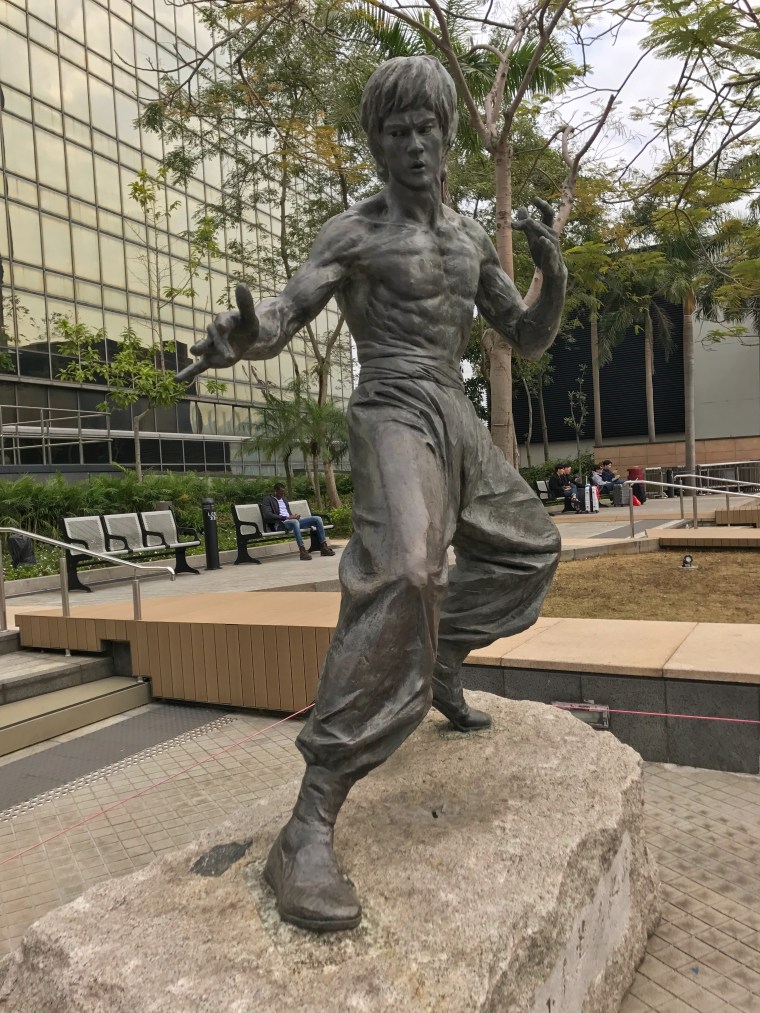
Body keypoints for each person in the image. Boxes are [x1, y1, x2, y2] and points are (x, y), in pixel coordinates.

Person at [176, 56, 566, 932]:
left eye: (428, 128)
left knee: (531, 551)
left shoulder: (468, 240)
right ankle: (307, 823)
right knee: (404, 572)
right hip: (391, 402)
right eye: (397, 132)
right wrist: (246, 334)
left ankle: (436, 662)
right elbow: (285, 310)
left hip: (454, 410)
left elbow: (529, 336)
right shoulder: (351, 232)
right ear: (377, 144)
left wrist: (553, 269)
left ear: (448, 134)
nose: (416, 144)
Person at [260, 484, 335, 561]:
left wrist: (294, 516)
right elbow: (268, 515)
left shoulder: (284, 499)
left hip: (291, 521)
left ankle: (323, 547)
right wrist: (287, 517)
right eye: (280, 493)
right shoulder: (267, 499)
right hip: (280, 524)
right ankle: (302, 551)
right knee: (295, 522)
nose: (282, 495)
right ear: (275, 491)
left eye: (283, 493)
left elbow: (288, 513)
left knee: (317, 519)